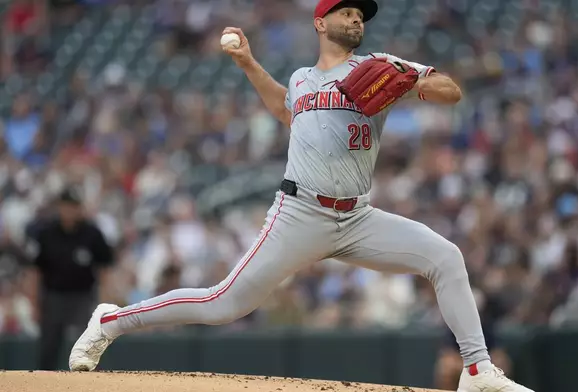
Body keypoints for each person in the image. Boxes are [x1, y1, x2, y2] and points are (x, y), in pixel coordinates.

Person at [69, 1, 533, 390]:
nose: (356, 20)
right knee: (223, 303)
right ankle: (112, 321)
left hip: (358, 218)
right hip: (301, 211)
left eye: (360, 15)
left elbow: (450, 91)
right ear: (320, 23)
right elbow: (284, 110)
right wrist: (249, 64)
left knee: (446, 256)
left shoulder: (379, 66)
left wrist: (407, 80)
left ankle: (476, 369)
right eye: (346, 12)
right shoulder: (300, 79)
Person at [27, 186, 114, 370]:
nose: (70, 211)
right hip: (54, 297)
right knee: (49, 346)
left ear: (79, 208)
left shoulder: (92, 233)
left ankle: (90, 385)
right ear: (59, 207)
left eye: (73, 206)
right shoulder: (46, 233)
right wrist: (34, 303)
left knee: (88, 345)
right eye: (66, 206)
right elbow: (36, 270)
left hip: (82, 297)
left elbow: (104, 268)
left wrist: (104, 300)